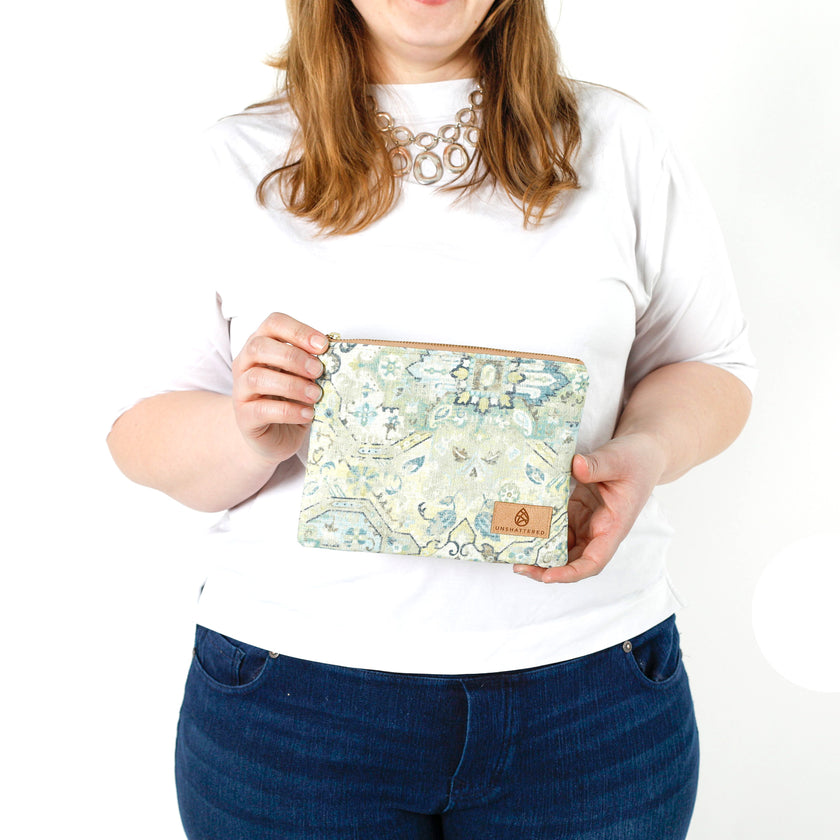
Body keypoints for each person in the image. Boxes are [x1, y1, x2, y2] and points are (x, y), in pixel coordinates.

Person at [107, 0, 756, 837]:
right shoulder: (233, 160)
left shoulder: (619, 139)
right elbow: (137, 432)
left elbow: (712, 364)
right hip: (294, 708)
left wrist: (647, 449)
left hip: (591, 695)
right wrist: (244, 432)